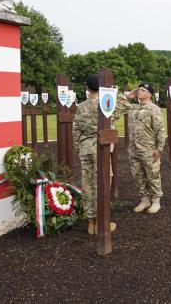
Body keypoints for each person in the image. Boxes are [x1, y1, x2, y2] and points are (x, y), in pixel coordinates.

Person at [73, 74, 116, 235]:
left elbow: (76, 130)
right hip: (100, 148)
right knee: (103, 182)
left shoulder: (81, 106)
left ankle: (90, 222)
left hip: (85, 148)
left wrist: (78, 148)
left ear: (87, 88)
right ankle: (101, 221)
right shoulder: (107, 104)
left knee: (87, 183)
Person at [114, 83, 165, 214]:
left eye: (143, 90)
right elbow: (115, 106)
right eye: (139, 90)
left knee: (152, 175)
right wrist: (128, 94)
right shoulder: (132, 108)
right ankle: (144, 200)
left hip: (149, 149)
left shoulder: (154, 109)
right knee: (138, 176)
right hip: (134, 149)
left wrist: (159, 149)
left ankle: (156, 202)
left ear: (149, 94)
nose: (140, 92)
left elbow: (160, 130)